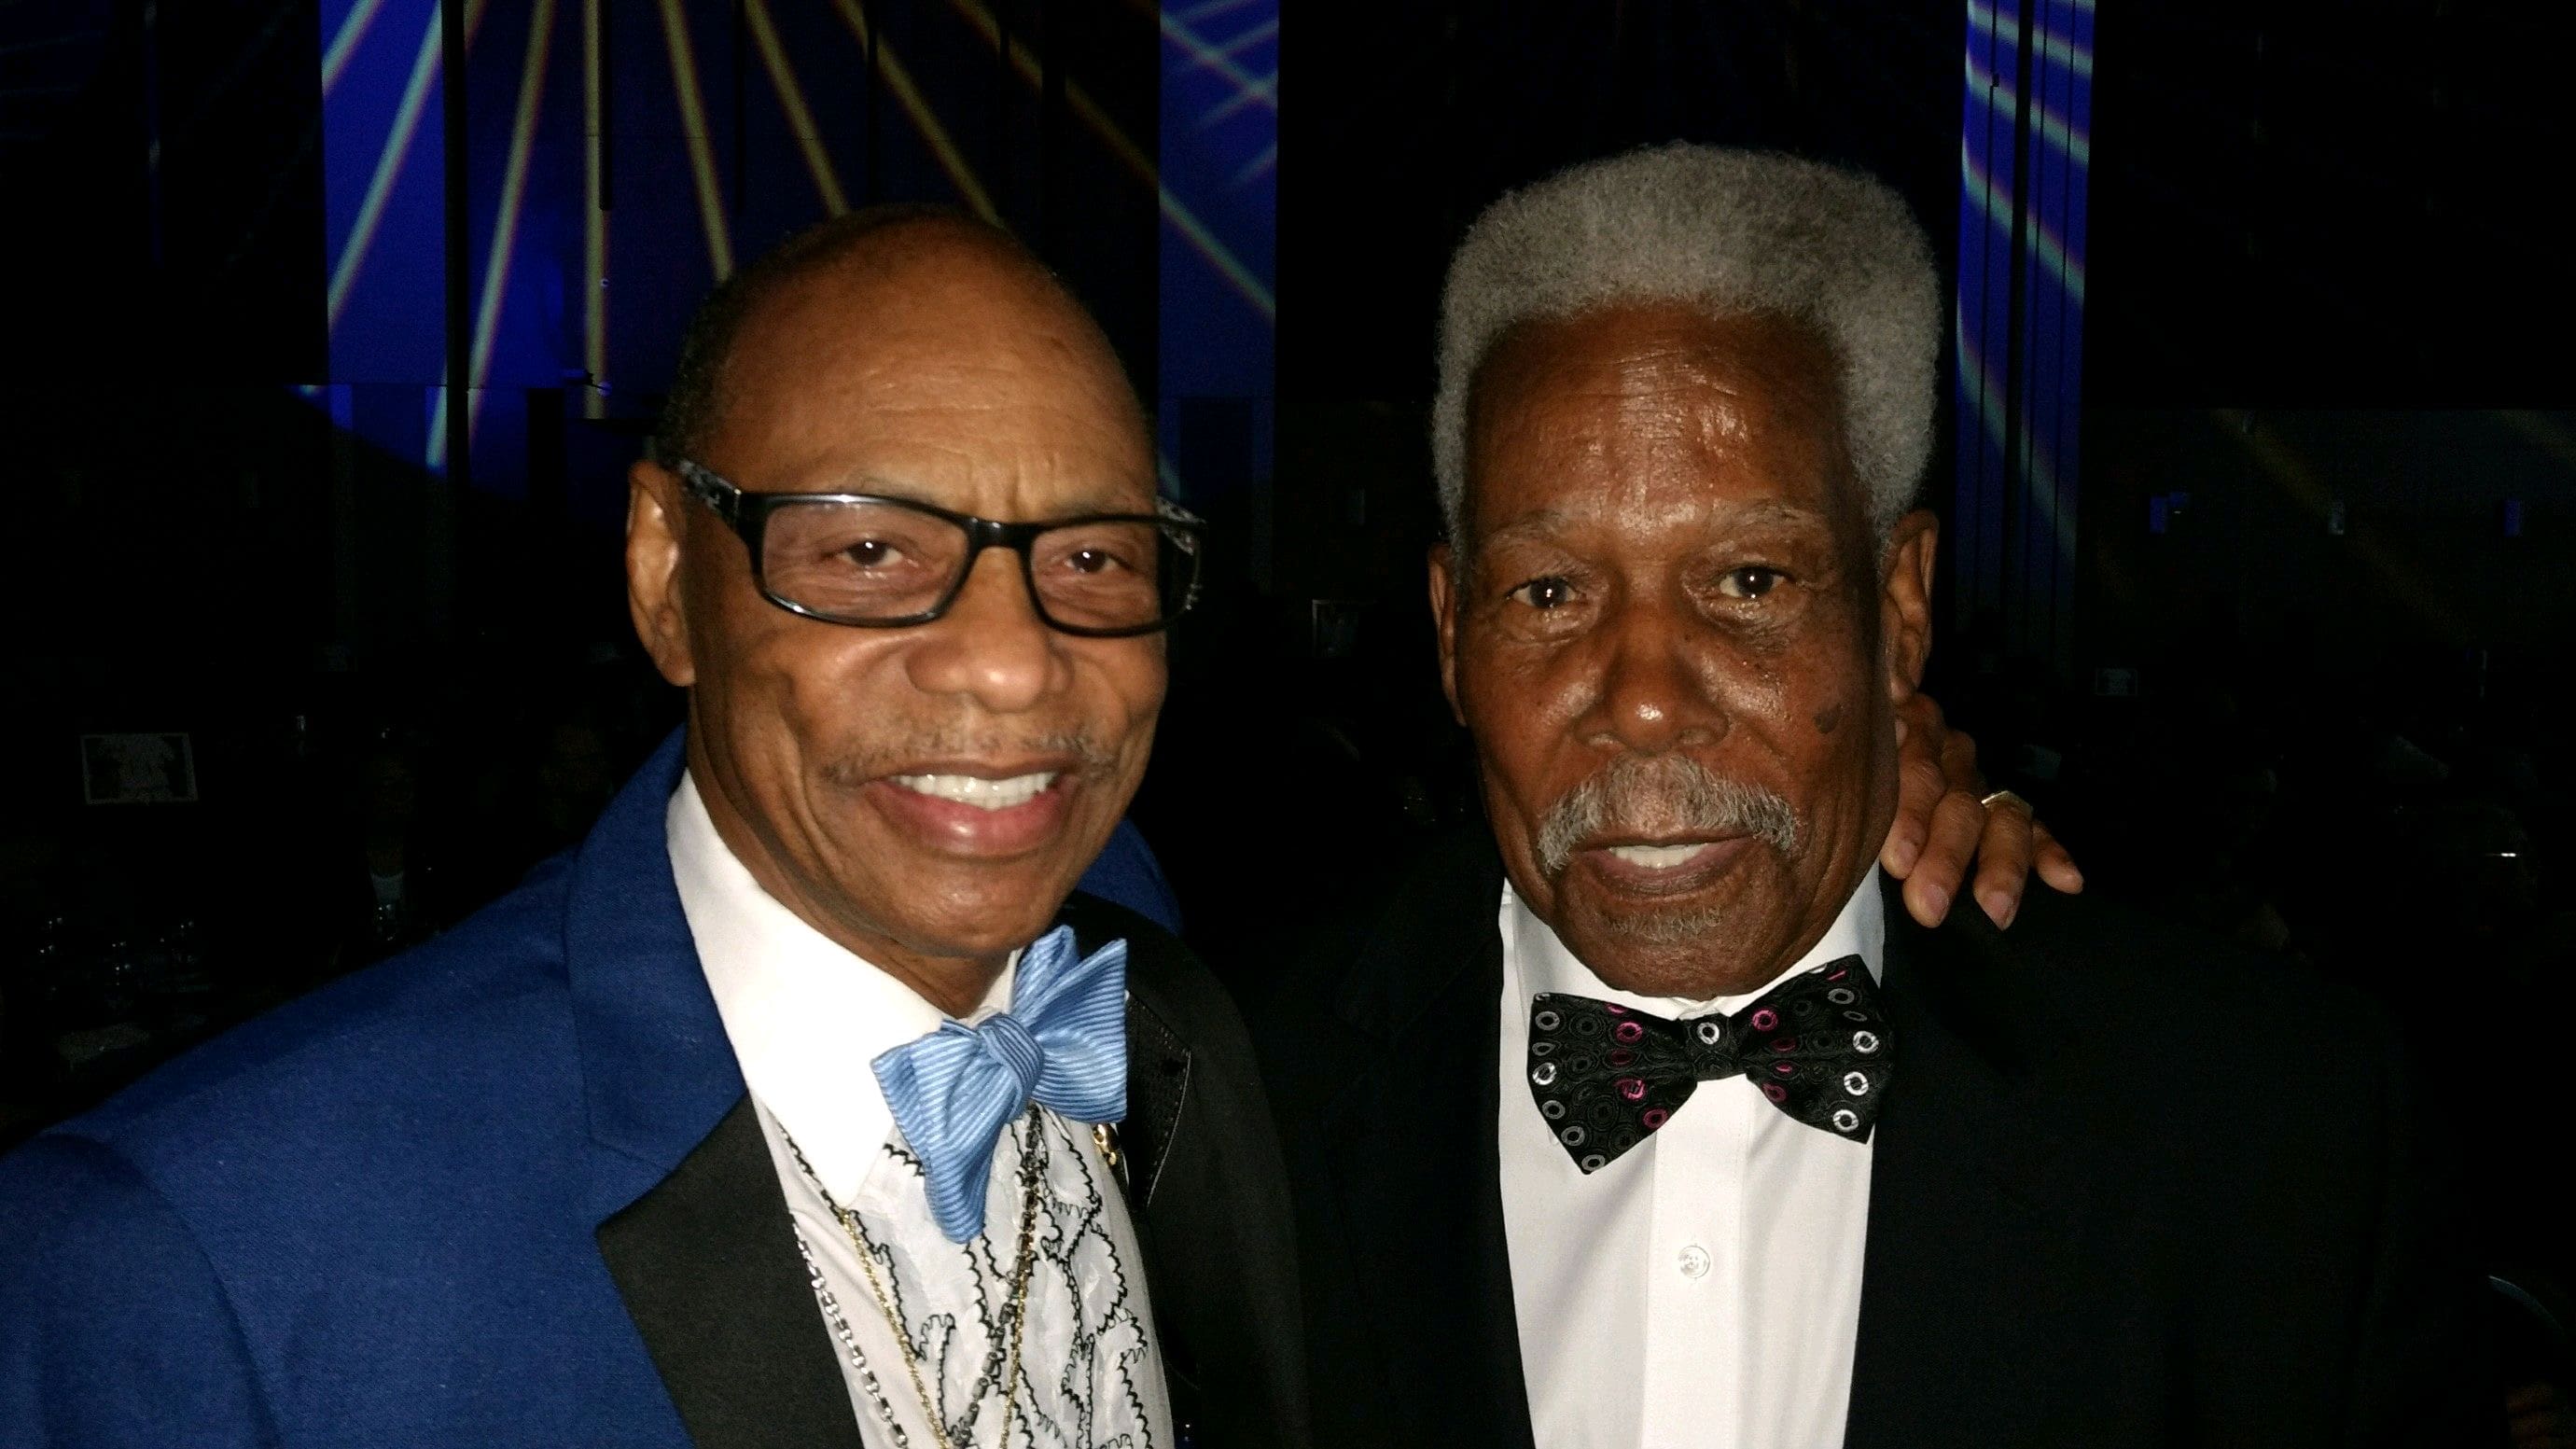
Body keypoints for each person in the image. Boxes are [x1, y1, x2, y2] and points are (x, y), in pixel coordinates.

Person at [0, 205, 2047, 1447]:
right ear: (660, 571)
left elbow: (1605, 810)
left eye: (1084, 558)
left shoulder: (1175, 1000)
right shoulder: (202, 1257)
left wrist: (1837, 771)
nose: (1007, 668)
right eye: (870, 548)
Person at [1254, 145, 2495, 1448]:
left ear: (1898, 607)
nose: (1643, 699)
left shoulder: (2276, 1140)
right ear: (1450, 630)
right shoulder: (1220, 1099)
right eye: (1549, 590)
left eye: (1747, 580)